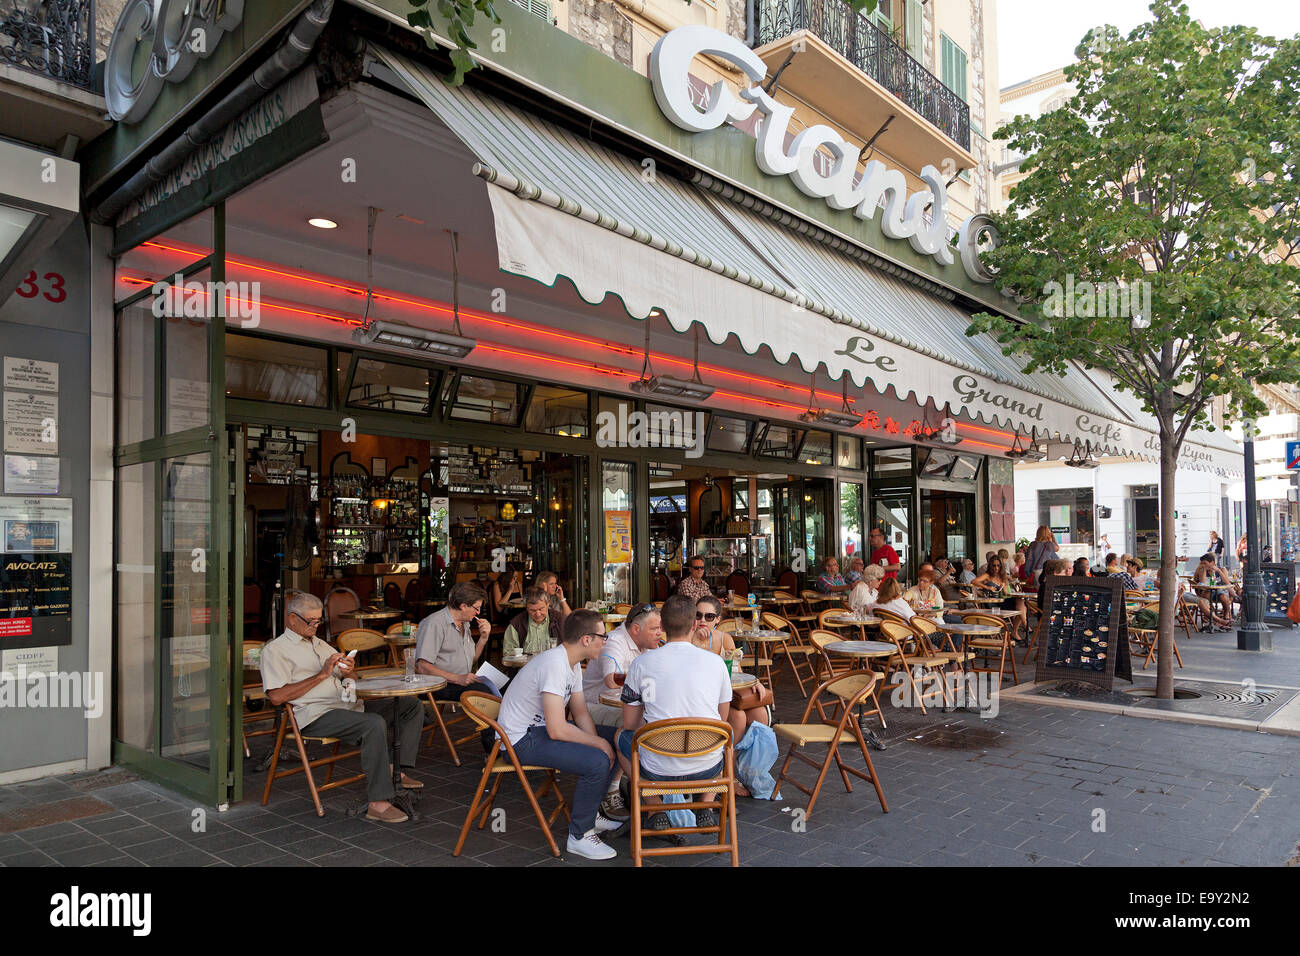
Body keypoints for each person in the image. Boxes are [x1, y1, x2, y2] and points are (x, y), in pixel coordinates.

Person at [260, 593, 424, 824]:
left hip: (346, 704)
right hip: (315, 714)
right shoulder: (275, 651)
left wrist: (348, 671)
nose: (315, 626)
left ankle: (394, 769)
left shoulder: (321, 644)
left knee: (410, 705)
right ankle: (378, 802)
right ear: (292, 619)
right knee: (373, 724)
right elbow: (276, 697)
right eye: (310, 621)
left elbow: (353, 678)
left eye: (318, 621)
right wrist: (322, 675)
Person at [497, 609, 625, 860]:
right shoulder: (554, 664)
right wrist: (598, 745)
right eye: (603, 636)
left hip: (540, 732)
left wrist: (602, 742)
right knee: (597, 760)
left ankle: (590, 815)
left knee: (618, 740)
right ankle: (580, 836)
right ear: (587, 639)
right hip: (519, 741)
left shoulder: (572, 663)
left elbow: (580, 713)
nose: (606, 641)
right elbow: (557, 728)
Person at [619, 594, 734, 836]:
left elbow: (630, 723)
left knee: (621, 736)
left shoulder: (642, 664)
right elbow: (722, 720)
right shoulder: (716, 664)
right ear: (694, 625)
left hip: (657, 767)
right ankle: (705, 803)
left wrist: (657, 725)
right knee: (727, 738)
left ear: (661, 627)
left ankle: (655, 807)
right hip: (707, 766)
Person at [581, 602, 663, 821]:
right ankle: (612, 789)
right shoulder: (614, 643)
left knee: (652, 719)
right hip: (591, 708)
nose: (660, 633)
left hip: (624, 705)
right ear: (636, 630)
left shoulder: (651, 645)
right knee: (631, 724)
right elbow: (611, 680)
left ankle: (651, 781)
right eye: (655, 629)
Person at [693, 595, 770, 752]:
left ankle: (751, 767)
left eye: (709, 616)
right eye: (697, 615)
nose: (702, 620)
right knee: (739, 717)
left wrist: (754, 682)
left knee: (760, 714)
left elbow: (737, 670)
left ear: (717, 620)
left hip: (727, 694)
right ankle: (729, 765)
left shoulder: (724, 639)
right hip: (701, 696)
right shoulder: (687, 638)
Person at [414, 582, 501, 702]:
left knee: (505, 687)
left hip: (461, 682)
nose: (478, 613)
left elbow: (471, 660)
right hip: (440, 685)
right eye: (476, 608)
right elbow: (422, 667)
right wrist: (458, 678)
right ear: (463, 606)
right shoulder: (435, 623)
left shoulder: (465, 623)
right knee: (485, 693)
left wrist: (483, 638)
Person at [502, 586, 563, 658]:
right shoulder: (516, 624)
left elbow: (571, 649)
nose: (538, 614)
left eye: (541, 609)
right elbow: (508, 654)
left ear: (548, 603)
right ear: (526, 607)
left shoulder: (559, 620)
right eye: (532, 610)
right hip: (526, 667)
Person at [1192, 553, 1236, 629]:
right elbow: (1202, 582)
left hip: (1217, 591)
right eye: (1202, 563)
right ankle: (1216, 620)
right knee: (1207, 597)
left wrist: (1218, 571)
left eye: (1205, 563)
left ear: (1212, 563)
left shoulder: (1218, 570)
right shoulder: (1201, 569)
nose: (1203, 565)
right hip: (1205, 592)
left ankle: (1226, 616)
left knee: (1224, 597)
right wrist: (1205, 569)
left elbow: (1227, 583)